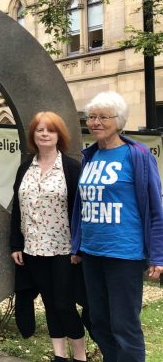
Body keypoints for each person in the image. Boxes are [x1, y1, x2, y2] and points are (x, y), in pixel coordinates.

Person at [71, 91, 163, 361]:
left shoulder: (137, 155)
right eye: (92, 117)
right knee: (99, 321)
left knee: (124, 325)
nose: (95, 122)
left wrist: (158, 255)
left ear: (119, 121)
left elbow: (155, 209)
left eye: (103, 117)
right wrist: (77, 245)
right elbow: (81, 206)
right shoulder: (90, 157)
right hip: (92, 253)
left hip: (124, 254)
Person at [10, 112, 86, 362]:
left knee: (64, 304)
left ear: (59, 135)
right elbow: (17, 208)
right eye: (39, 130)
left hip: (64, 249)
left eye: (50, 130)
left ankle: (80, 356)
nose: (44, 134)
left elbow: (81, 210)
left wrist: (78, 248)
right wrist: (16, 244)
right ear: (33, 134)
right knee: (50, 303)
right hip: (33, 248)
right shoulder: (25, 168)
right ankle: (59, 356)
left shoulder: (71, 168)